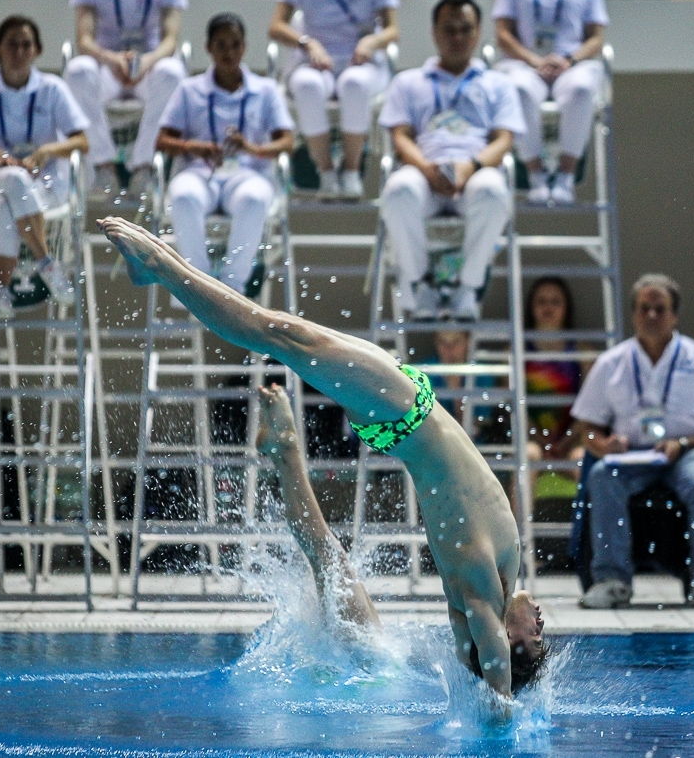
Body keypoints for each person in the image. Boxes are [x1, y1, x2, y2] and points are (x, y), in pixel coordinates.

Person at [98, 214, 548, 699]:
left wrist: (501, 704)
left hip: (405, 413)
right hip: (408, 409)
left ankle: (161, 267)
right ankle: (164, 268)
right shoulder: (495, 577)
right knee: (284, 333)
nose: (542, 623)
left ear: (507, 641)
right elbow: (480, 651)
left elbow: (488, 657)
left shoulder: (480, 591)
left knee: (278, 334)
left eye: (537, 638)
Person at [571, 274, 694, 609]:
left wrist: (686, 443)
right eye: (644, 308)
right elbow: (586, 428)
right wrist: (603, 445)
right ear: (633, 315)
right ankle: (612, 581)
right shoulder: (611, 363)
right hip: (630, 455)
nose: (651, 316)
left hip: (687, 453)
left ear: (674, 315)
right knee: (602, 476)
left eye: (660, 309)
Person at [378, 0, 526, 323]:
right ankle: (419, 282)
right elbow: (400, 135)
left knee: (493, 190)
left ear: (477, 33)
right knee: (398, 189)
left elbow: (504, 140)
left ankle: (468, 286)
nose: (457, 37)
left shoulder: (498, 84)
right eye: (449, 29)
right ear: (434, 33)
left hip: (474, 175)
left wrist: (471, 167)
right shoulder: (408, 82)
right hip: (424, 175)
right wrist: (427, 169)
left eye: (465, 29)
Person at [0, 15, 88, 319]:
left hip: (44, 185)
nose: (19, 52)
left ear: (37, 50)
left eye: (26, 45)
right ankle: (47, 263)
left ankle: (1, 292)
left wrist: (49, 149)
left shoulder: (52, 88)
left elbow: (82, 142)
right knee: (13, 178)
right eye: (12, 45)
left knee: (5, 207)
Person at [155, 14, 295, 300]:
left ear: (244, 47)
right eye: (221, 45)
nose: (228, 53)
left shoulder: (266, 90)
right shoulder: (189, 89)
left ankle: (233, 290)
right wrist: (194, 146)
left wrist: (252, 148)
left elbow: (288, 141)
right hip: (200, 173)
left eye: (235, 45)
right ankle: (198, 286)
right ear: (209, 48)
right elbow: (162, 141)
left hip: (247, 174)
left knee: (255, 199)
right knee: (182, 197)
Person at [256, 384, 380, 635]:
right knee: (330, 561)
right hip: (375, 670)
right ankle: (285, 452)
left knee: (327, 555)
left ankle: (287, 452)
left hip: (370, 669)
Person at [268, 0, 399, 198]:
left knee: (353, 84)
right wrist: (306, 43)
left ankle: (351, 170)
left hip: (362, 62)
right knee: (307, 85)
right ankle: (326, 172)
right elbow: (276, 26)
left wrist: (372, 42)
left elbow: (392, 31)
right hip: (314, 61)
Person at [65, 0, 188, 199]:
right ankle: (103, 165)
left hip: (150, 66)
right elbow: (84, 40)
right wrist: (111, 59)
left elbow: (170, 40)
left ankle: (144, 166)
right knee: (78, 70)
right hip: (106, 65)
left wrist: (146, 62)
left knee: (172, 72)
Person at [492, 0, 607, 204]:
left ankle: (566, 174)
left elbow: (596, 38)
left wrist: (570, 60)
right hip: (525, 63)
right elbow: (503, 35)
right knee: (519, 89)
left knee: (582, 89)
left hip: (572, 64)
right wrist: (535, 60)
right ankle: (536, 175)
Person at [524, 277, 586, 486]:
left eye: (555, 302)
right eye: (541, 301)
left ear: (566, 307)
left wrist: (566, 441)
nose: (548, 307)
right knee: (527, 455)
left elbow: (590, 408)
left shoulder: (583, 351)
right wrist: (541, 441)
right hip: (533, 441)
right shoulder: (516, 351)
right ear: (531, 307)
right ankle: (518, 520)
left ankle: (589, 521)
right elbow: (514, 408)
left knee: (582, 459)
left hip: (573, 442)